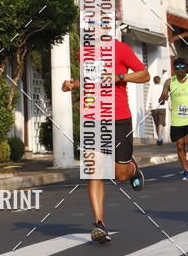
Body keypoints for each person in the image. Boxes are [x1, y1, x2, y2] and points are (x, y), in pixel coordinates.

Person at [62, 38, 150, 243]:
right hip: (92, 120)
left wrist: (120, 76)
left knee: (119, 175)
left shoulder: (121, 48)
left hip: (119, 118)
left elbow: (145, 74)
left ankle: (132, 169)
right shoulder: (84, 52)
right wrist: (72, 84)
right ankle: (99, 224)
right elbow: (89, 80)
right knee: (94, 171)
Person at [159, 57, 188, 181]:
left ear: (186, 67)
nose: (180, 69)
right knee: (180, 146)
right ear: (174, 69)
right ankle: (186, 170)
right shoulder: (169, 82)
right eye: (177, 67)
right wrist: (164, 97)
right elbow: (160, 100)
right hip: (177, 120)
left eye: (183, 67)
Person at [146, 75, 166, 145]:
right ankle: (159, 138)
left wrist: (147, 108)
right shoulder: (163, 87)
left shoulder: (151, 88)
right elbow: (167, 96)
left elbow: (148, 98)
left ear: (154, 81)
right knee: (161, 123)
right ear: (159, 80)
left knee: (157, 124)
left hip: (154, 108)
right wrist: (170, 105)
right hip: (162, 107)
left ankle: (159, 139)